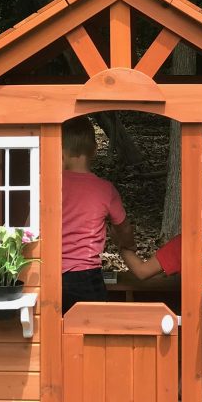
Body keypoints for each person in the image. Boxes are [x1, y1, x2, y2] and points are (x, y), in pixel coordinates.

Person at [62, 116, 135, 313]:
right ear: (94, 150)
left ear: (60, 151)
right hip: (86, 275)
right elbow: (124, 228)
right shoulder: (105, 190)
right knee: (93, 333)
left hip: (49, 273)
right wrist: (127, 245)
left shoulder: (48, 185)